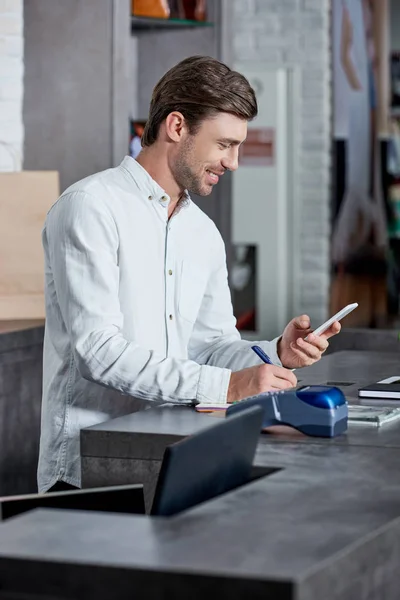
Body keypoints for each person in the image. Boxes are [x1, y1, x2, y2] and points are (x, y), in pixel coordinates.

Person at [38, 56, 340, 493]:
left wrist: (274, 354)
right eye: (224, 144)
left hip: (176, 454)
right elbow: (97, 351)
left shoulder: (202, 232)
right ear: (176, 127)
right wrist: (228, 385)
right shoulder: (90, 206)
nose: (233, 162)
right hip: (90, 469)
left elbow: (210, 346)